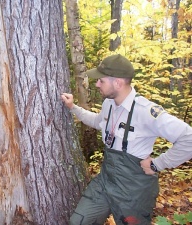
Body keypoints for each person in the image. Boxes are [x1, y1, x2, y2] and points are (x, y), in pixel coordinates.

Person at [61, 54, 192, 225]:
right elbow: (97, 121)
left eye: (101, 80)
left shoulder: (145, 111)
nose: (97, 84)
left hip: (134, 190)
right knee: (79, 222)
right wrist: (73, 108)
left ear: (118, 83)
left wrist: (157, 164)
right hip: (106, 181)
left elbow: (188, 138)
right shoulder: (109, 104)